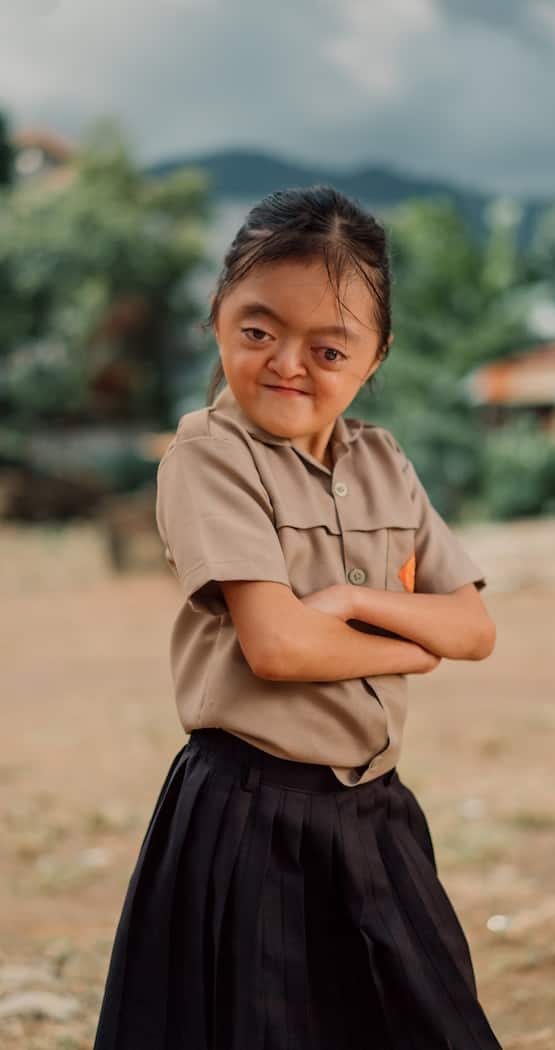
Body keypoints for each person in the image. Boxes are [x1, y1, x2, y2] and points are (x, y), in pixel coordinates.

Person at [93, 185, 503, 1050]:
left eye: (328, 346)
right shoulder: (209, 459)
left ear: (376, 356)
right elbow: (276, 645)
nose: (287, 362)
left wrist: (354, 603)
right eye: (258, 330)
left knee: (432, 1023)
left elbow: (472, 631)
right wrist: (409, 640)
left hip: (375, 814)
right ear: (216, 319)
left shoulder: (386, 462)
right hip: (247, 820)